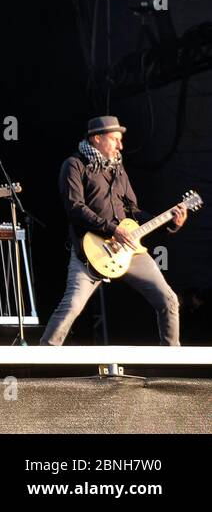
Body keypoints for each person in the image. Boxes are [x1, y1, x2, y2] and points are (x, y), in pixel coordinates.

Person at [40, 116, 185, 346]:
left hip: (127, 248)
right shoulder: (74, 165)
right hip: (91, 250)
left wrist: (170, 222)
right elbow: (75, 208)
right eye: (115, 139)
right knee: (72, 306)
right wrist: (112, 229)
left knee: (168, 299)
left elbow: (132, 210)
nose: (121, 146)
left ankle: (171, 363)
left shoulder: (118, 168)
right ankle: (41, 361)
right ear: (97, 138)